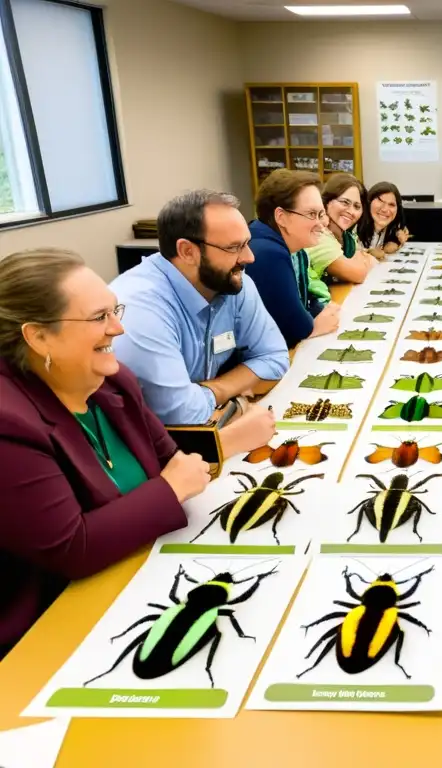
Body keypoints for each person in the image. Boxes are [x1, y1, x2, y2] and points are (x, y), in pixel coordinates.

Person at [0, 249, 212, 658]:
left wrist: (174, 482)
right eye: (99, 318)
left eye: (116, 311)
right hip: (45, 632)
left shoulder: (112, 380)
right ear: (38, 336)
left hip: (139, 580)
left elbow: (173, 461)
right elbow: (72, 548)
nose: (118, 328)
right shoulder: (10, 423)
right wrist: (169, 491)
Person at [110, 190, 285, 458]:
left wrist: (216, 390)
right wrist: (238, 401)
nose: (249, 257)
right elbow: (184, 415)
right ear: (187, 251)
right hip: (150, 454)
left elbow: (275, 358)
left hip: (205, 438)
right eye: (233, 247)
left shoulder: (233, 281)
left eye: (246, 243)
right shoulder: (141, 307)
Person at [246, 169, 341, 348]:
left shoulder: (297, 250)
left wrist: (315, 316)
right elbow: (295, 329)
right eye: (312, 214)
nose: (321, 224)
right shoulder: (267, 254)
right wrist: (314, 326)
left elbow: (306, 303)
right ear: (281, 217)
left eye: (321, 214)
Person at [306, 173, 377, 302]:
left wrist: (362, 259)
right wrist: (361, 259)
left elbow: (369, 261)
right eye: (345, 202)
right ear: (327, 202)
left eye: (357, 206)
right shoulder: (319, 235)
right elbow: (358, 273)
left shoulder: (346, 236)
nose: (351, 211)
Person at [357, 181, 410, 259]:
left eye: (391, 204)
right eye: (380, 201)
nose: (385, 209)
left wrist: (397, 242)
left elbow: (390, 246)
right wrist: (370, 253)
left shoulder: (392, 229)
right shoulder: (353, 227)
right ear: (369, 201)